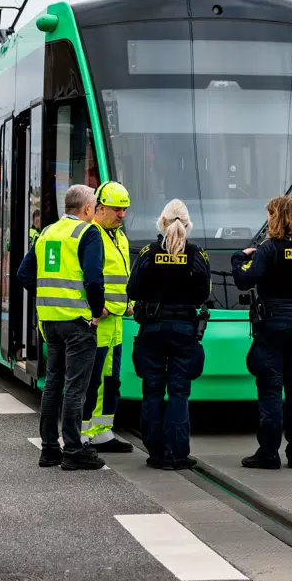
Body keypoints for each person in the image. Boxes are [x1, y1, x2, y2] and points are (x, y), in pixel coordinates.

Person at [14, 184, 106, 471]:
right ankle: (74, 450)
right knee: (76, 387)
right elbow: (93, 278)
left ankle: (50, 449)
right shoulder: (88, 233)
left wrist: (46, 296)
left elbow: (24, 273)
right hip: (78, 322)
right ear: (88, 209)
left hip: (50, 322)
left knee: (53, 383)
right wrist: (94, 311)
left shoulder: (47, 233)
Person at [232, 196, 292, 470]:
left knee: (271, 391)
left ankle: (268, 454)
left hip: (272, 325)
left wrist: (239, 258)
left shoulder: (268, 249)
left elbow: (243, 281)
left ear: (274, 218)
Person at [128, 199, 211, 469]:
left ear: (162, 223)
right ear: (187, 224)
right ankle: (176, 454)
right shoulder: (198, 255)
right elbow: (204, 294)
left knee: (152, 392)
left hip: (151, 329)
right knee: (178, 393)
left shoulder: (147, 253)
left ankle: (155, 452)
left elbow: (132, 289)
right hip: (184, 331)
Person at [80, 181, 135, 453]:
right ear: (99, 208)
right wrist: (95, 305)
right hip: (98, 321)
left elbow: (124, 277)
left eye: (124, 209)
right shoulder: (92, 235)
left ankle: (103, 431)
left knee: (111, 379)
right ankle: (83, 432)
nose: (122, 214)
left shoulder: (119, 237)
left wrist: (130, 302)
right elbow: (85, 276)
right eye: (117, 209)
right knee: (92, 379)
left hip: (116, 321)